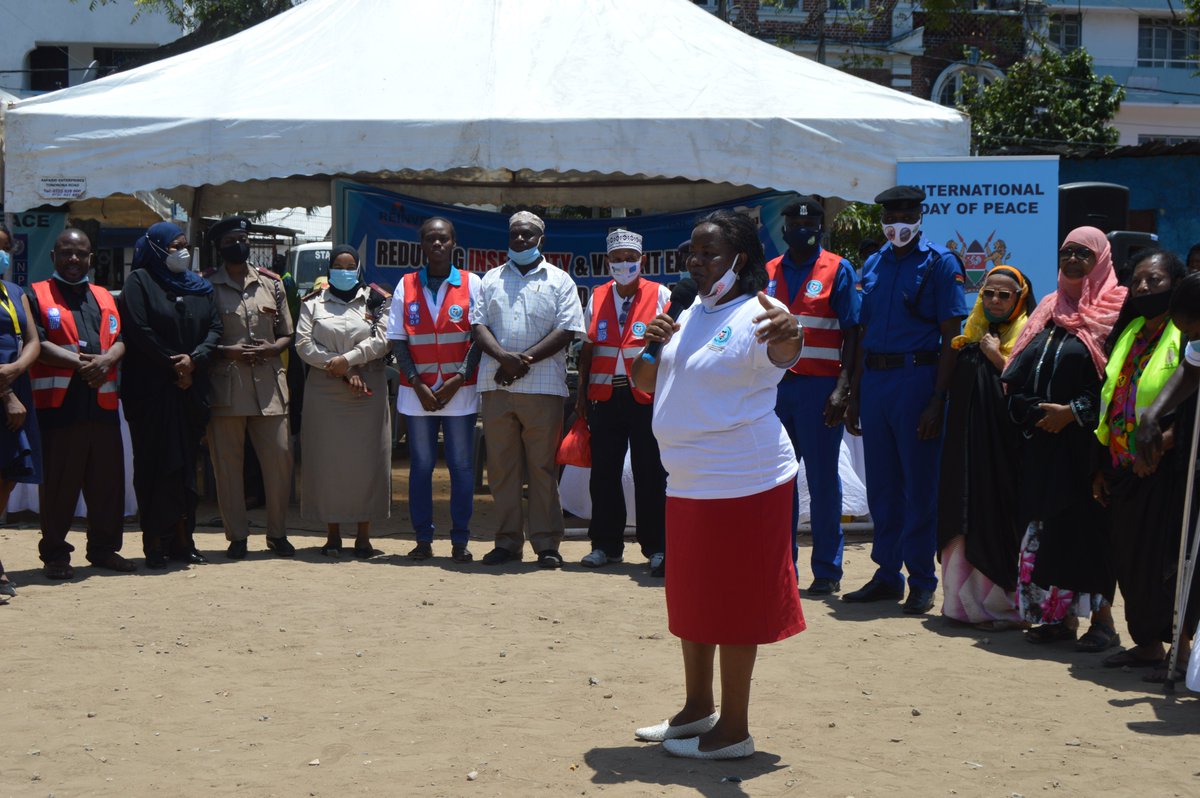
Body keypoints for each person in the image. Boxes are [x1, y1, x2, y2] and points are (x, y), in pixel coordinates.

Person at [628, 210, 804, 760]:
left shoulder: (759, 313)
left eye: (709, 254)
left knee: (736, 603)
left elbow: (783, 351)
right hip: (688, 481)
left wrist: (792, 336)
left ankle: (733, 731)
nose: (696, 263)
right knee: (693, 598)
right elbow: (641, 382)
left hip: (744, 481)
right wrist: (652, 344)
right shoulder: (684, 311)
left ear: (738, 260)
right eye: (693, 253)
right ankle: (697, 709)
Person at [844, 186, 969, 614]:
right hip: (876, 381)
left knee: (919, 486)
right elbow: (863, 332)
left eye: (905, 214)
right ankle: (886, 574)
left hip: (918, 378)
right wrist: (855, 394)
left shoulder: (940, 262)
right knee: (882, 486)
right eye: (890, 216)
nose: (897, 222)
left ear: (920, 216)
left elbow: (952, 336)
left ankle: (921, 579)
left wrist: (938, 399)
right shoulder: (873, 263)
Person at [1002, 226, 1126, 650]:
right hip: (1043, 446)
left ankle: (1103, 624)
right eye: (1066, 252)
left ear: (1101, 260)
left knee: (1089, 534)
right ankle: (1058, 619)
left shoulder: (1116, 311)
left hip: (1087, 450)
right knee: (1047, 531)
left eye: (1083, 254)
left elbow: (1117, 380)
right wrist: (1035, 412)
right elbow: (1017, 373)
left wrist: (1072, 413)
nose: (1072, 260)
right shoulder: (1049, 309)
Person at [469, 211, 585, 568]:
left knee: (542, 469)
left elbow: (567, 329)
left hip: (543, 388)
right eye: (515, 234)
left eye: (528, 235)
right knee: (502, 469)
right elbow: (478, 326)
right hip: (496, 385)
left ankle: (546, 544)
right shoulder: (490, 279)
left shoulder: (560, 280)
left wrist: (523, 361)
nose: (520, 239)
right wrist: (504, 359)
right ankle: (507, 543)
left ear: (541, 240)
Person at [1093, 250, 1191, 670]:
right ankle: (1147, 642)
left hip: (1166, 467)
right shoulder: (1130, 329)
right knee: (1130, 560)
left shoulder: (1186, 334)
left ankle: (1179, 648)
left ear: (1177, 285)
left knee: (1165, 561)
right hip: (1122, 466)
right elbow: (1111, 396)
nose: (1143, 288)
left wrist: (1162, 445)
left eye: (1154, 280)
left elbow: (1192, 404)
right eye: (1136, 281)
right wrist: (1101, 465)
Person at [765, 196, 860, 594]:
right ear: (784, 229)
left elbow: (853, 332)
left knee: (823, 483)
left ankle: (827, 571)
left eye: (810, 226)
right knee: (779, 482)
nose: (802, 231)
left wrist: (843, 389)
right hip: (775, 390)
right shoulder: (769, 270)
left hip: (820, 390)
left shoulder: (837, 268)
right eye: (794, 226)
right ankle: (783, 570)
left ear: (820, 228)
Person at [27, 229, 134, 579]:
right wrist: (83, 364)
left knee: (107, 483)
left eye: (81, 253)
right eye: (66, 252)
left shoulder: (105, 296)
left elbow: (121, 339)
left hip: (102, 406)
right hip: (60, 408)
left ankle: (103, 549)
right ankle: (55, 554)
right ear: (53, 256)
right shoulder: (36, 294)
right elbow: (37, 344)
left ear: (91, 257)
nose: (73, 259)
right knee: (60, 485)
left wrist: (108, 359)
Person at [119, 222, 222, 568]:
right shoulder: (140, 282)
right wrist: (174, 365)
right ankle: (155, 543)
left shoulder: (200, 286)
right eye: (174, 246)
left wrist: (194, 361)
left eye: (185, 245)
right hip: (152, 392)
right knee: (156, 466)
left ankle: (183, 540)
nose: (182, 251)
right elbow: (139, 329)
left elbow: (215, 328)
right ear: (156, 248)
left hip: (190, 390)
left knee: (186, 469)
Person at [937, 265, 1035, 627]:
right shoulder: (969, 337)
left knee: (995, 519)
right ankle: (959, 606)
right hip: (964, 452)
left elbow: (1030, 389)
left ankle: (999, 607)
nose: (994, 301)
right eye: (988, 293)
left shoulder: (1029, 337)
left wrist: (998, 358)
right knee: (961, 516)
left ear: (1019, 299)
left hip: (1001, 455)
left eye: (1004, 295)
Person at [575, 228, 670, 574]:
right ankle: (605, 545)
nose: (624, 264)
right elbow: (587, 350)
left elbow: (671, 348)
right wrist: (581, 395)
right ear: (608, 262)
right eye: (618, 259)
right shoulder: (598, 296)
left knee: (650, 472)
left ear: (641, 261)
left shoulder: (660, 294)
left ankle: (657, 547)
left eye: (630, 259)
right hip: (604, 395)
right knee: (604, 473)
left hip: (645, 396)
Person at [388, 218, 482, 562]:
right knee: (422, 466)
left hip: (460, 391)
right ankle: (423, 538)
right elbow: (397, 340)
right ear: (422, 245)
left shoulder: (472, 283)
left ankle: (460, 540)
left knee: (461, 466)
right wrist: (417, 384)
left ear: (454, 242)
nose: (437, 244)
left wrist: (459, 377)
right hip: (418, 394)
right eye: (430, 239)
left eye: (443, 239)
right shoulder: (407, 284)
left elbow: (480, 337)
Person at [206, 216, 296, 559]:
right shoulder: (207, 286)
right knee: (227, 464)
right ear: (219, 246)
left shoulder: (272, 284)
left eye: (243, 239)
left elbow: (287, 332)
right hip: (227, 385)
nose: (239, 245)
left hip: (269, 385)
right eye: (231, 240)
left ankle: (277, 533)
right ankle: (237, 536)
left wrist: (274, 347)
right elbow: (201, 337)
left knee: (280, 459)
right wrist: (224, 350)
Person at [295, 245, 392, 557]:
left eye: (351, 267)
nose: (345, 272)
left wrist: (348, 360)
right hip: (325, 390)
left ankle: (363, 536)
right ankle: (332, 535)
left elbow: (383, 340)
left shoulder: (377, 300)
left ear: (359, 269)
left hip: (367, 390)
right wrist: (341, 368)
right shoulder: (313, 302)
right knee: (327, 461)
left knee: (368, 461)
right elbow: (303, 344)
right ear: (329, 269)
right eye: (339, 266)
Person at [1133, 270, 1200, 682]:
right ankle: (1184, 652)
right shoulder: (1197, 342)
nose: (1191, 338)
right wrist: (1152, 416)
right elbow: (1190, 370)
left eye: (1193, 329)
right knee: (1189, 556)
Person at [0, 244, 41, 601]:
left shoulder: (15, 292)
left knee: (8, 475)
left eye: (3, 247)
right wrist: (7, 392)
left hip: (15, 386)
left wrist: (16, 369)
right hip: (6, 394)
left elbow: (32, 340)